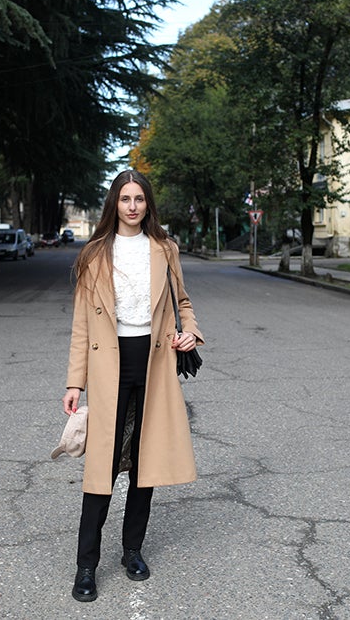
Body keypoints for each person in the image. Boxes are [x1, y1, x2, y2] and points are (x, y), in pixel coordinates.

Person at [61, 169, 203, 602]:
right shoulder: (94, 254)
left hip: (155, 361)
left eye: (139, 199)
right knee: (101, 465)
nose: (133, 206)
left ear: (148, 204)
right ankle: (86, 566)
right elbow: (82, 324)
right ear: (114, 204)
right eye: (125, 199)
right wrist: (75, 382)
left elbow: (183, 302)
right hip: (109, 364)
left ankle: (132, 550)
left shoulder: (164, 249)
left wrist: (190, 333)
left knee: (146, 462)